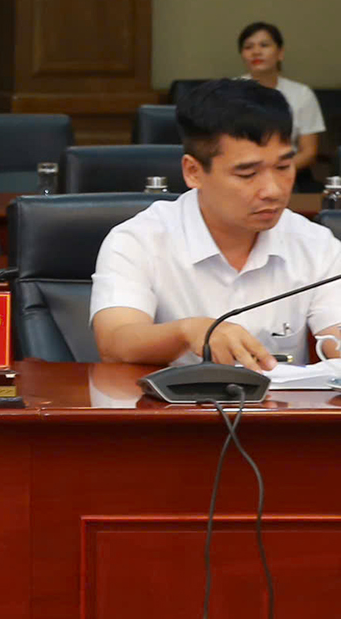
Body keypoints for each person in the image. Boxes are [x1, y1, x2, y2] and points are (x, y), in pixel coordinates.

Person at [92, 79, 341, 370]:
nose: (273, 189)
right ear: (194, 172)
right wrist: (187, 331)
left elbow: (336, 333)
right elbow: (115, 342)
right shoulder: (138, 240)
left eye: (283, 167)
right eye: (248, 173)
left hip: (279, 412)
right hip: (167, 413)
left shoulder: (316, 244)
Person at [235, 21, 322, 178]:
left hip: (288, 172)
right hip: (241, 172)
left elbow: (309, 152)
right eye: (248, 47)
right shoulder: (230, 92)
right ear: (242, 55)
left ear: (280, 52)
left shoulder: (302, 94)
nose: (256, 52)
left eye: (264, 45)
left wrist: (274, 173)